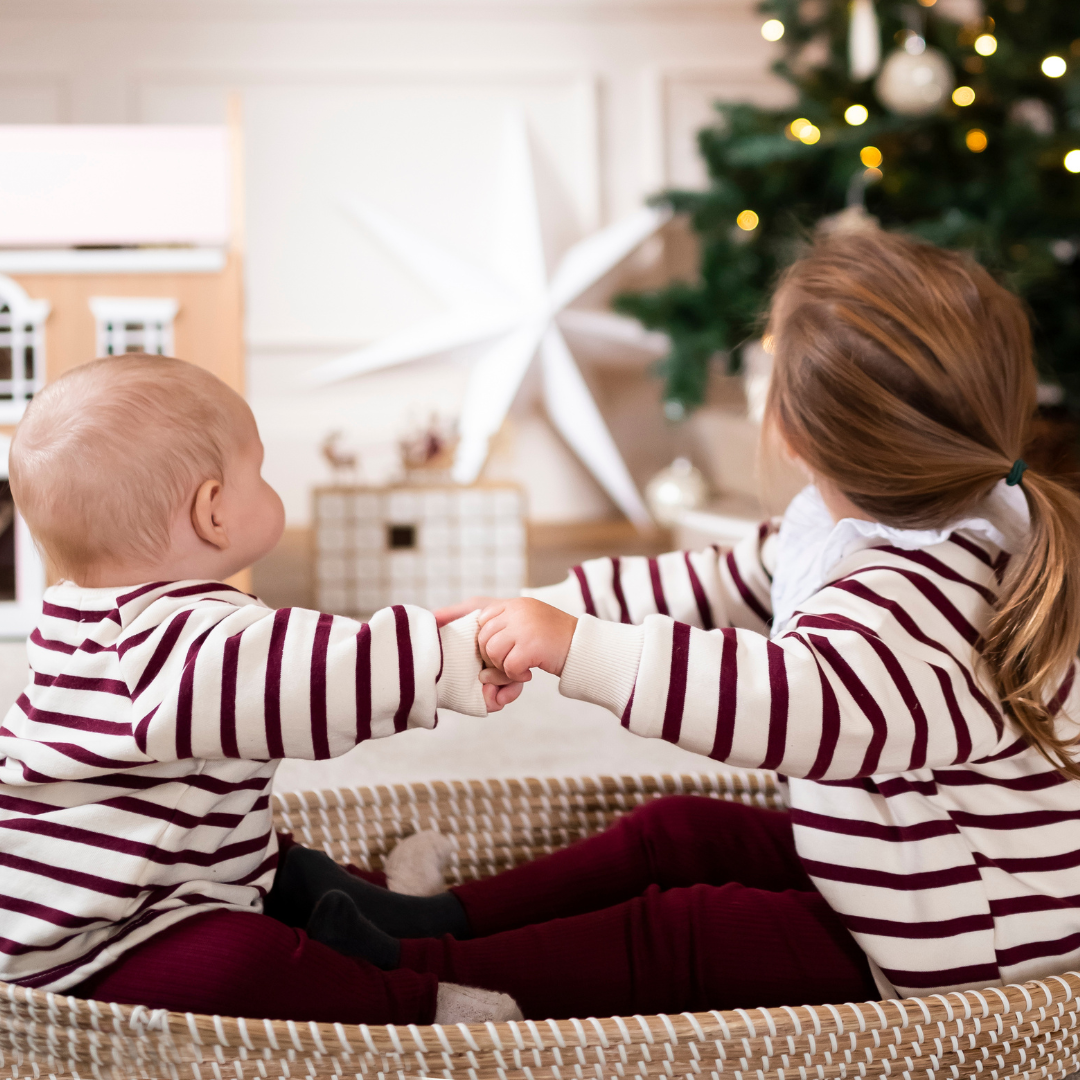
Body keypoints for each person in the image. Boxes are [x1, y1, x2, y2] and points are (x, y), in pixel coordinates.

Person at [292, 230, 1080, 1020]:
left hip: (955, 947)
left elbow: (770, 703)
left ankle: (418, 975)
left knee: (692, 934)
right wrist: (541, 606)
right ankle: (434, 922)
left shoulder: (922, 609)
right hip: (900, 849)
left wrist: (577, 650)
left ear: (797, 437)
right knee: (681, 831)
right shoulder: (865, 527)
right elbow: (710, 582)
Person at [0, 353, 523, 1025]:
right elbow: (318, 676)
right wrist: (452, 657)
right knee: (236, 962)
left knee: (279, 863)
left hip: (157, 877)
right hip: (90, 944)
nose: (268, 485)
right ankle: (412, 1004)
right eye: (259, 472)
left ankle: (388, 903)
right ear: (214, 512)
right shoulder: (178, 646)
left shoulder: (86, 610)